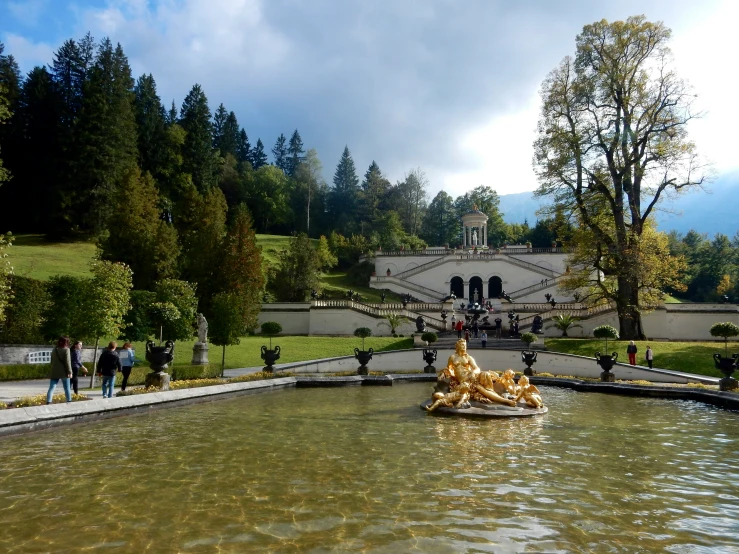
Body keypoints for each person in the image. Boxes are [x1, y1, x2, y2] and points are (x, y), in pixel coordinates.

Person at [425, 338, 516, 411]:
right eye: (462, 345)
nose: (464, 346)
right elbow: (448, 368)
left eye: (465, 345)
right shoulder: (452, 357)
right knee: (481, 389)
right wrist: (445, 373)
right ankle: (505, 401)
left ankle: (504, 400)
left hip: (471, 377)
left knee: (485, 374)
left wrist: (473, 372)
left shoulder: (468, 357)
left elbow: (477, 368)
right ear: (457, 346)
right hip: (464, 381)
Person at [46, 336, 73, 404]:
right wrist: (70, 372)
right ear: (66, 342)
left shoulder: (54, 349)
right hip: (64, 372)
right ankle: (69, 400)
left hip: (54, 371)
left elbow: (52, 361)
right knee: (67, 388)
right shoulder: (66, 350)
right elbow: (67, 362)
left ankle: (48, 401)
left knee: (52, 387)